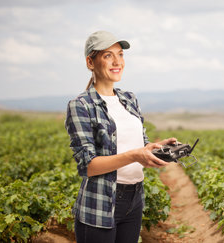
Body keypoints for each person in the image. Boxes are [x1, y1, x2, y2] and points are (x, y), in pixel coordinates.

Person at [65, 30, 176, 243]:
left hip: (134, 198)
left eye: (120, 54)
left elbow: (139, 144)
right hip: (101, 201)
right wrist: (135, 155)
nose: (117, 61)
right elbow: (88, 166)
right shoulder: (81, 106)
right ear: (90, 62)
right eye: (108, 55)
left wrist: (157, 147)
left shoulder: (129, 99)